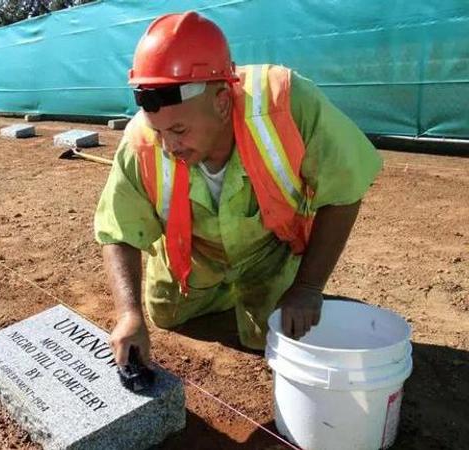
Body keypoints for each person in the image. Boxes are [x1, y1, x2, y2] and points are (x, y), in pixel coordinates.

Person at [94, 12, 383, 366]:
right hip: (194, 258)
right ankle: (216, 290)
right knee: (165, 315)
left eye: (180, 130)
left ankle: (278, 287)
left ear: (221, 102)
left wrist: (308, 288)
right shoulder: (142, 140)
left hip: (268, 253)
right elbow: (117, 230)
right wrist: (128, 314)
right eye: (159, 131)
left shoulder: (286, 104)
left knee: (281, 335)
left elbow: (344, 190)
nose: (168, 147)